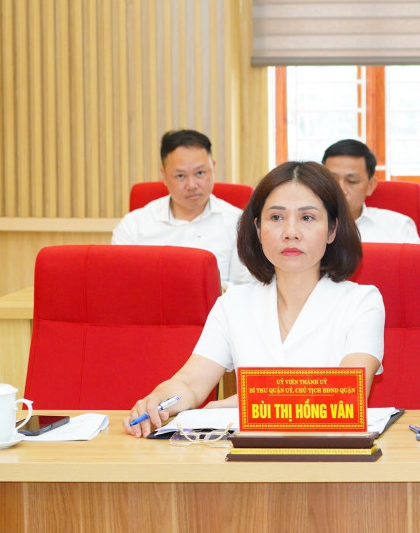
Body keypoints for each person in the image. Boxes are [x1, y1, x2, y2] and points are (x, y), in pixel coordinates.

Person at [124, 161, 385, 438]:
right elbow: (190, 383)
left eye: (307, 218)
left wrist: (246, 403)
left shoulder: (361, 301)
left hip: (332, 455)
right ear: (258, 229)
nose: (291, 232)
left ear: (332, 229)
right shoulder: (234, 303)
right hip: (248, 456)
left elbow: (346, 395)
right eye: (276, 217)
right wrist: (158, 399)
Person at [112, 129, 251, 288]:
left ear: (213, 169)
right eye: (180, 176)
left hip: (217, 304)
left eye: (200, 173)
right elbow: (120, 285)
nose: (192, 185)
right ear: (164, 176)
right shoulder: (133, 226)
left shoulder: (239, 225)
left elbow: (247, 288)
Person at [322, 139, 420, 244]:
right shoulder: (310, 225)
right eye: (332, 180)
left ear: (370, 186)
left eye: (352, 181)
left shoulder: (398, 227)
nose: (340, 189)